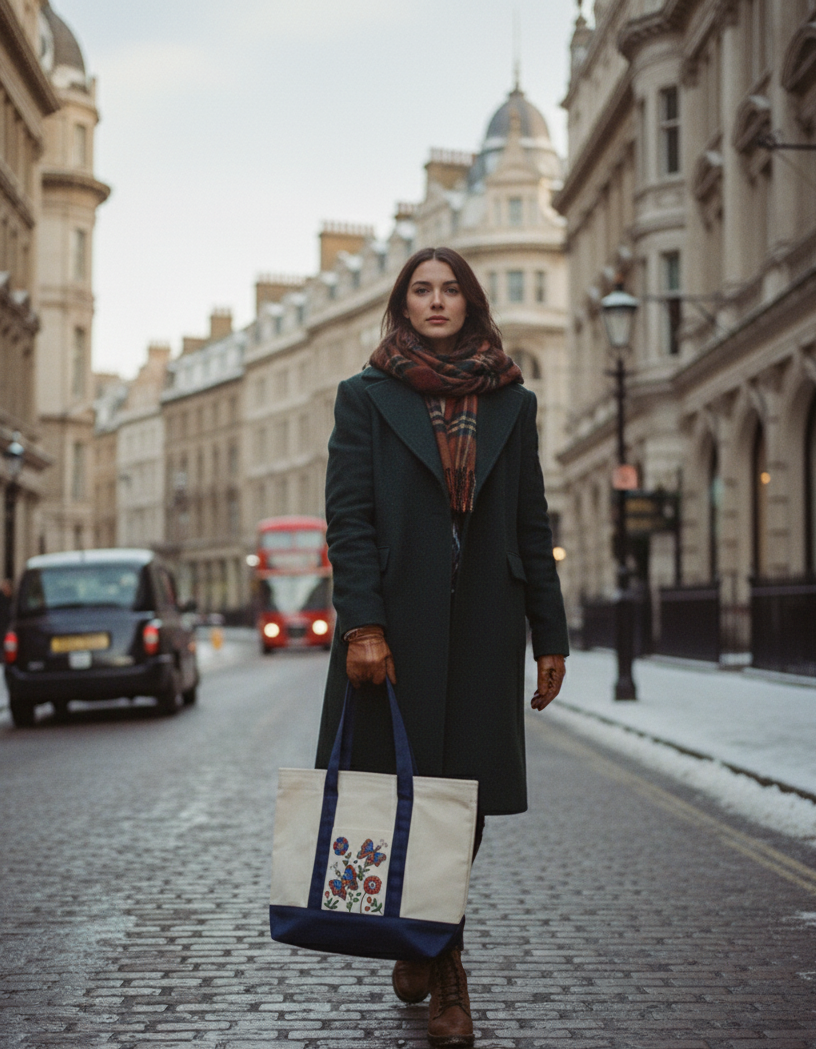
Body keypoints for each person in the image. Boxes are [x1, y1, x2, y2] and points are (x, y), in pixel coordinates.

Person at [315, 246, 568, 1048]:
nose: (435, 301)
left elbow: (533, 520)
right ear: (402, 303)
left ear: (469, 302)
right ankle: (446, 964)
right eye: (420, 289)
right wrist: (362, 625)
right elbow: (348, 519)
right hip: (396, 628)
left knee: (467, 800)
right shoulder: (364, 398)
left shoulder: (512, 401)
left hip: (487, 625)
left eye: (448, 288)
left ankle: (428, 940)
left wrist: (550, 634)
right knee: (408, 796)